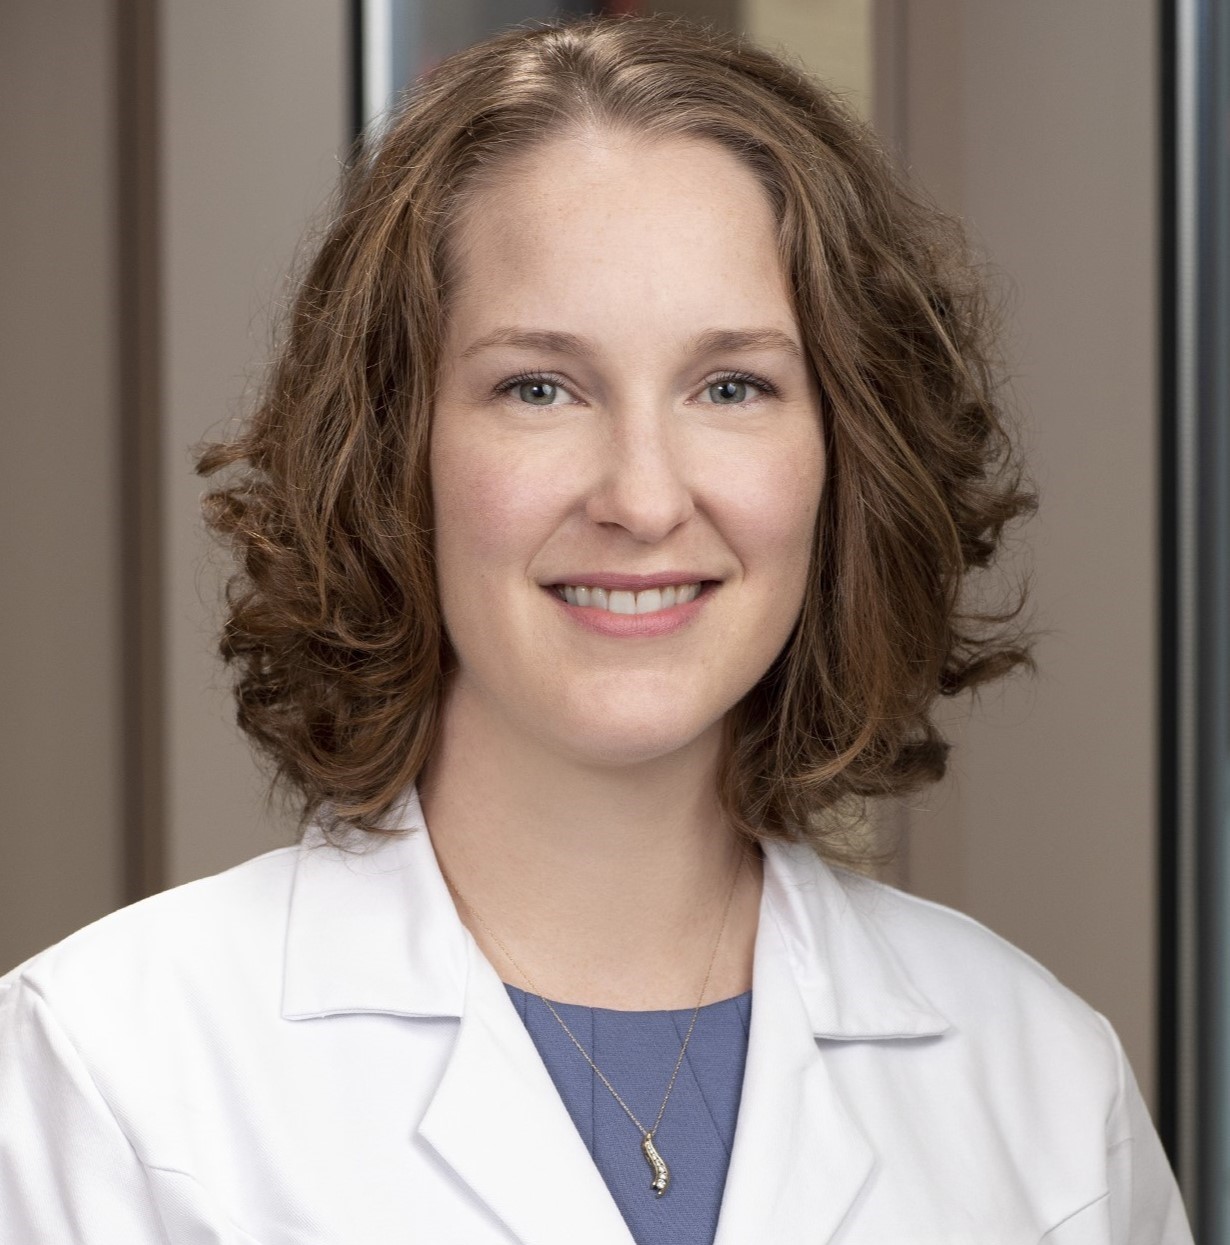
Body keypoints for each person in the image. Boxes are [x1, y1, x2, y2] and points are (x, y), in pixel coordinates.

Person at [0, 14, 1193, 1244]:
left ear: (847, 455)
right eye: (540, 387)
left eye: (732, 386)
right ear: (394, 451)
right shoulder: (110, 1075)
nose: (641, 497)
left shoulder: (1043, 1088)